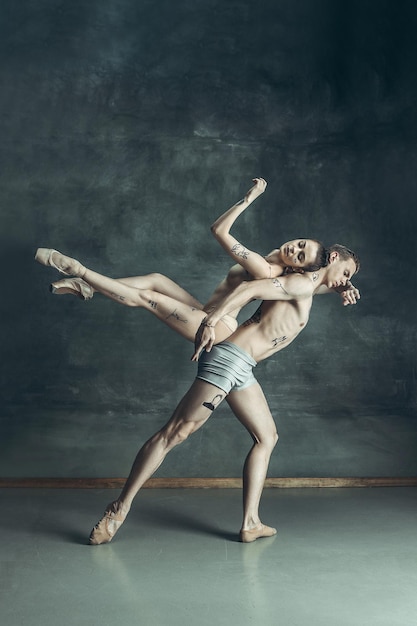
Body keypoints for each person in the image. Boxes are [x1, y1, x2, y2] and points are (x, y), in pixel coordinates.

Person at [34, 242, 360, 544]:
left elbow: (312, 288)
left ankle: (250, 523)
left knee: (267, 437)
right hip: (229, 362)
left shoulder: (305, 285)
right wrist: (213, 318)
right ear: (333, 259)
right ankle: (118, 510)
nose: (344, 279)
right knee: (174, 433)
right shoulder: (301, 283)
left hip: (242, 368)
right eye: (345, 271)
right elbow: (248, 288)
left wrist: (342, 285)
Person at [39, 179, 358, 346]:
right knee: (156, 279)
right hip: (207, 312)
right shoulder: (282, 266)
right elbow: (309, 288)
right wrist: (340, 288)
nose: (294, 249)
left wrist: (249, 199)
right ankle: (86, 287)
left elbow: (218, 230)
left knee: (148, 298)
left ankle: (80, 272)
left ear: (300, 267)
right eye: (300, 244)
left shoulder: (263, 267)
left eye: (300, 256)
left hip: (218, 326)